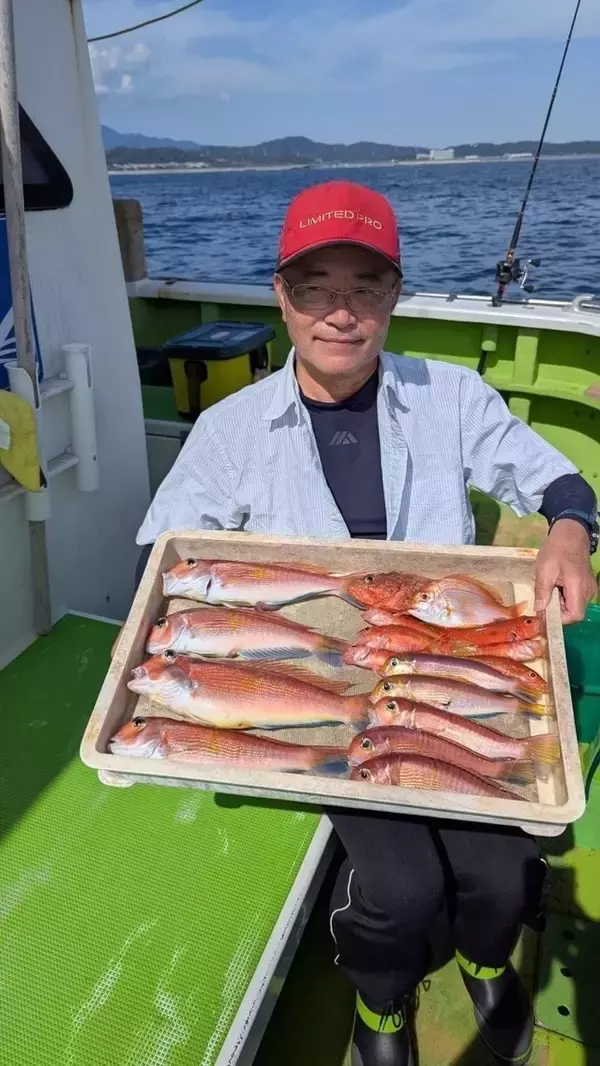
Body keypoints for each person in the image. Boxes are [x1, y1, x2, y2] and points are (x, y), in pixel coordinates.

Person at [135, 181, 598, 1066]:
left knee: (502, 871)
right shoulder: (230, 429)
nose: (340, 314)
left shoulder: (450, 396)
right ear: (282, 295)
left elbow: (557, 485)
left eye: (365, 287)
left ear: (393, 297)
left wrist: (571, 535)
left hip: (442, 657)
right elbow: (160, 558)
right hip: (323, 691)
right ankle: (382, 1007)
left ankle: (485, 956)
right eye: (315, 287)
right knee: (398, 884)